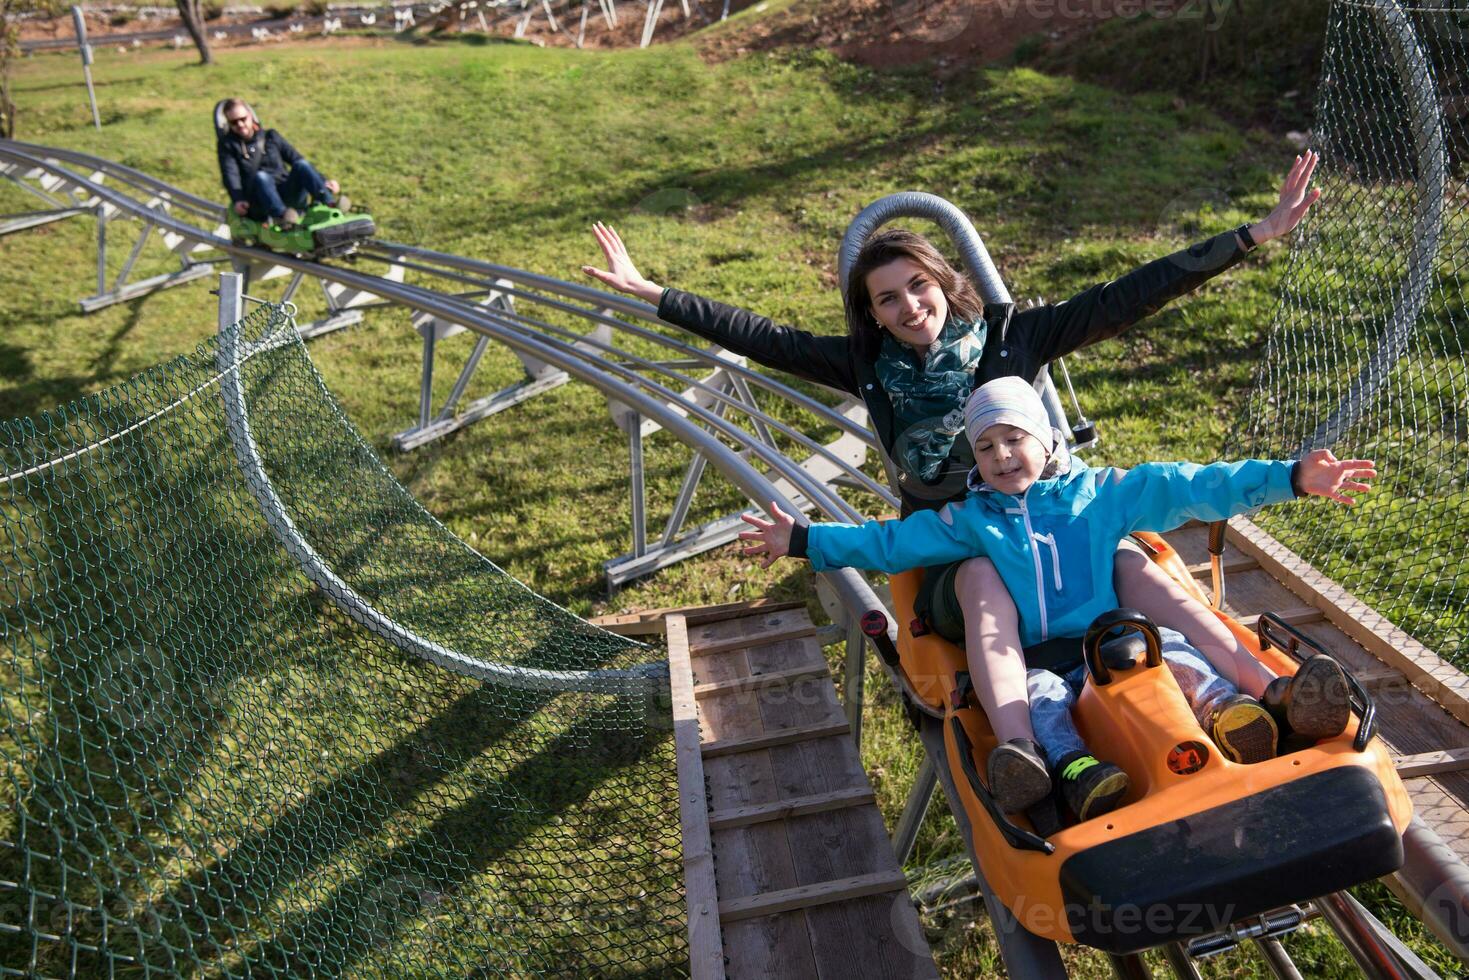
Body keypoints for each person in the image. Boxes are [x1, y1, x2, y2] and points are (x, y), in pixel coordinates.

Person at [583, 154, 1325, 727]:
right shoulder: (864, 363)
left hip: (1050, 519)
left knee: (1130, 565)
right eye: (887, 299)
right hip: (958, 539)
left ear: (942, 280)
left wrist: (1253, 234)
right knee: (982, 582)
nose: (909, 307)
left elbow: (1128, 295)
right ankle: (1022, 736)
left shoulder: (1011, 335)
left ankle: (1242, 688)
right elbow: (759, 335)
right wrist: (652, 292)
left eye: (917, 285)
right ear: (870, 314)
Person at [737, 377, 1370, 822]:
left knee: (1178, 661)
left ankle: (1242, 707)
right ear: (975, 462)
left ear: (1047, 442)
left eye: (1014, 439)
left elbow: (1191, 484)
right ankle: (1054, 766)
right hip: (1039, 656)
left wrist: (1290, 476)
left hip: (1123, 640)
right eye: (985, 447)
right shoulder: (970, 520)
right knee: (1042, 706)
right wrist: (802, 539)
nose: (1002, 455)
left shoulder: (1102, 493)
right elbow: (891, 543)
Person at [214, 98, 350, 230]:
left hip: (286, 191)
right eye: (234, 122)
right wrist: (238, 199)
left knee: (301, 165)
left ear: (250, 116)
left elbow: (296, 158)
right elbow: (230, 174)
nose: (240, 125)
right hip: (259, 200)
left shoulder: (270, 136)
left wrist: (324, 181)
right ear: (229, 124)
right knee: (262, 177)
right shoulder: (228, 146)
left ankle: (329, 202)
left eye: (243, 119)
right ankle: (281, 217)